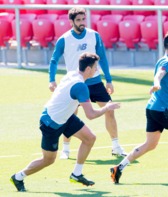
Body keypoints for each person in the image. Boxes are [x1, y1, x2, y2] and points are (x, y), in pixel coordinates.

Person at [10, 52, 121, 192]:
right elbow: (91, 115)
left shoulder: (71, 74)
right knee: (48, 160)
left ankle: (76, 174)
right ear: (88, 69)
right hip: (51, 122)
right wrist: (107, 107)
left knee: (90, 138)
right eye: (95, 67)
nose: (96, 70)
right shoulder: (81, 86)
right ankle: (18, 177)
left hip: (65, 117)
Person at [110, 32, 168, 183]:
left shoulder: (163, 60)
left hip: (152, 109)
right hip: (163, 110)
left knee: (150, 144)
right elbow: (159, 75)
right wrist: (156, 83)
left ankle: (119, 167)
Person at [48, 7, 127, 159]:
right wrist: (52, 80)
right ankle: (65, 149)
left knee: (109, 111)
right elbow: (54, 60)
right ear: (71, 21)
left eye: (83, 19)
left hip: (95, 82)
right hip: (75, 84)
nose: (82, 22)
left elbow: (102, 58)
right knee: (70, 114)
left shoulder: (94, 35)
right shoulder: (64, 39)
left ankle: (116, 147)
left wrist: (109, 80)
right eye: (78, 20)